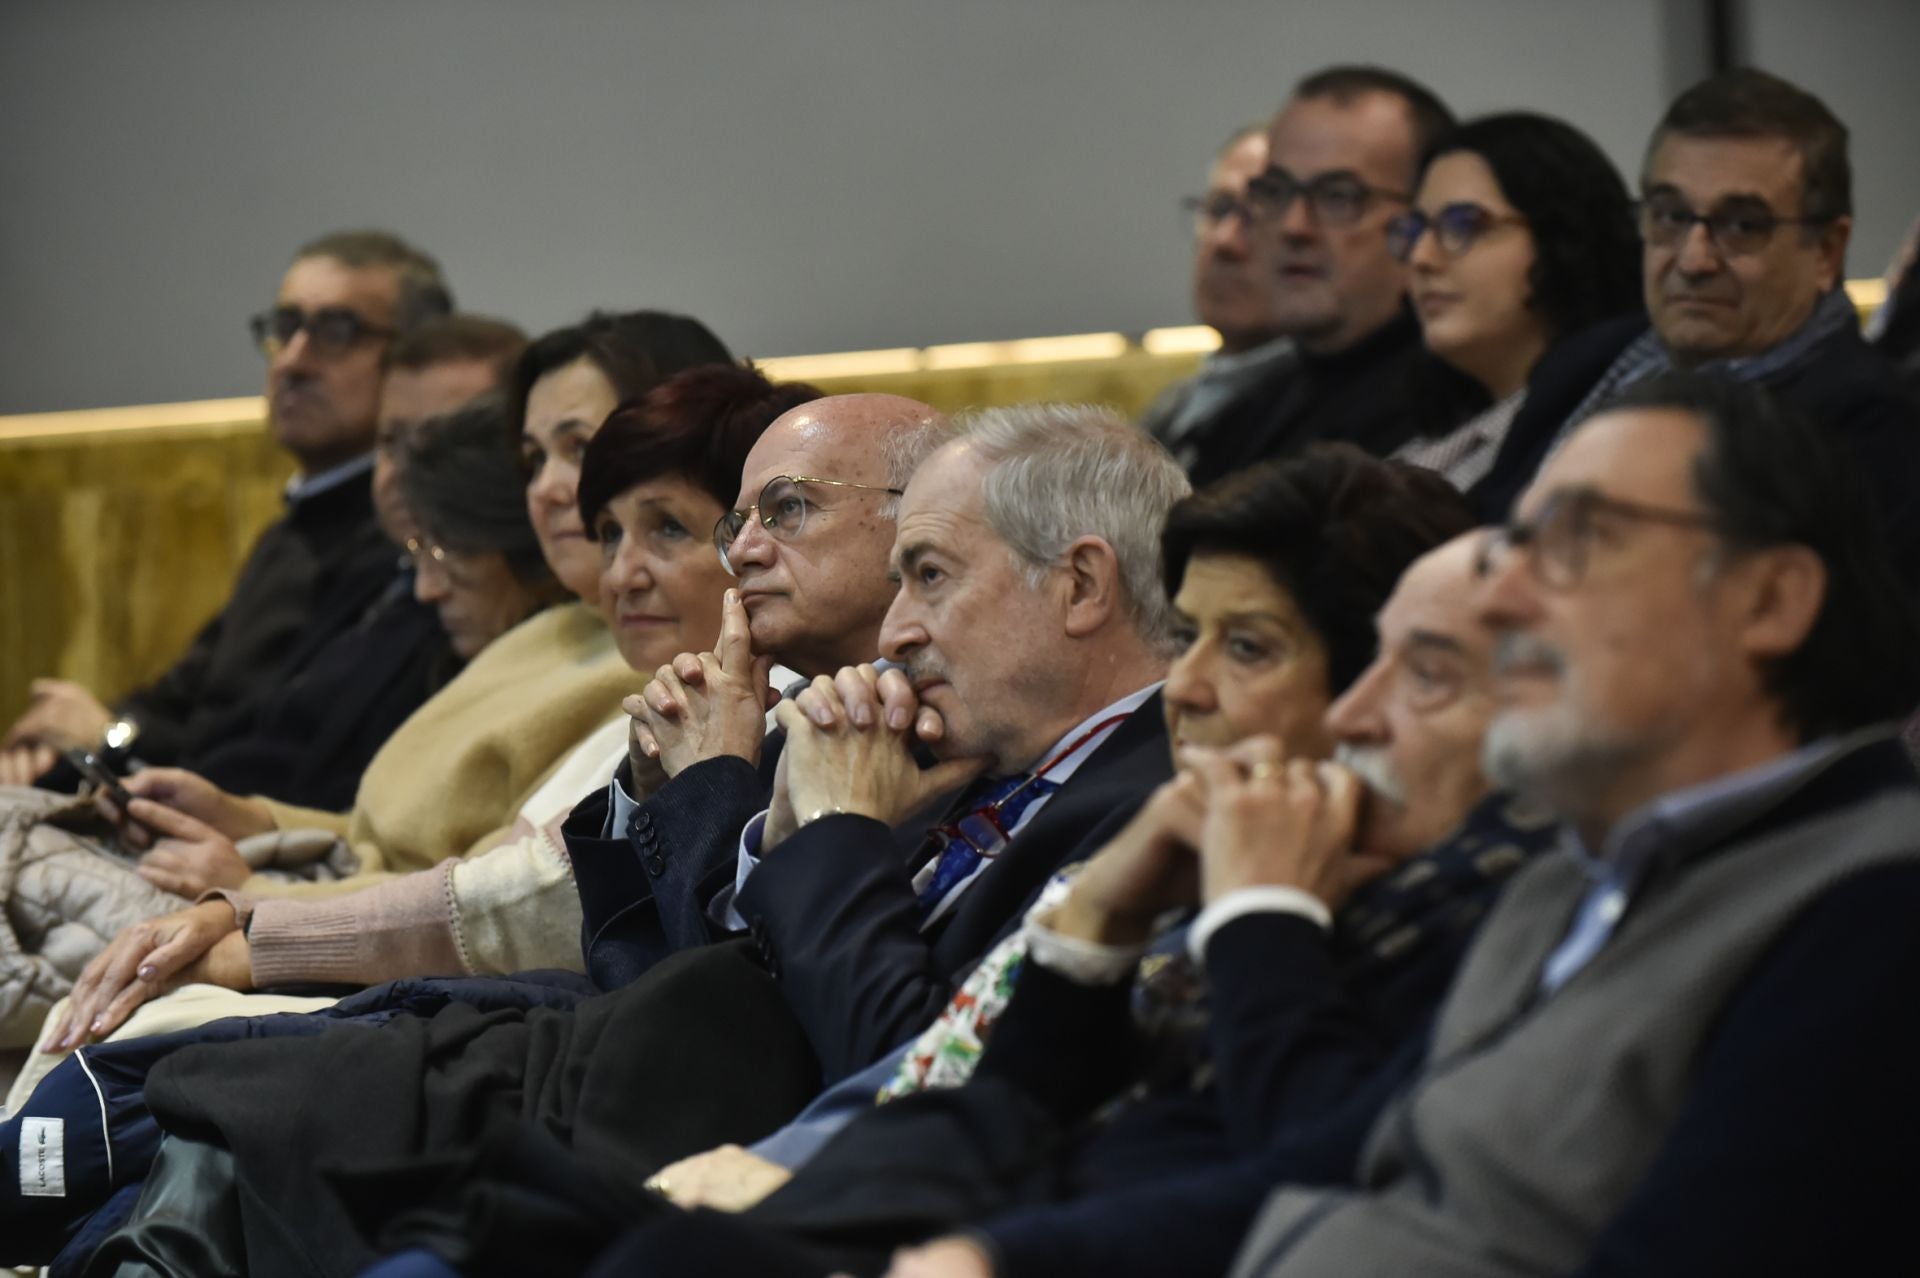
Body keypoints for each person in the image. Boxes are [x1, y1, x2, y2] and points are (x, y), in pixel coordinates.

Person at [42, 405, 1187, 1277]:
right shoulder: (916, 736)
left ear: (1081, 583)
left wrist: (776, 808)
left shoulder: (1135, 811)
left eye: (925, 575)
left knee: (242, 1105)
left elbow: (893, 1059)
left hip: (738, 1176)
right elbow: (660, 965)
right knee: (202, 1094)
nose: (899, 623)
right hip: (619, 1107)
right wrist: (723, 795)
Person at [23, 365, 823, 1085]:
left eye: (670, 529)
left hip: (523, 1032)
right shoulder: (622, 665)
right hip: (337, 923)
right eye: (607, 531)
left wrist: (255, 919)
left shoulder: (741, 701)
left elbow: (529, 901)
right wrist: (257, 861)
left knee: (118, 1000)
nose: (622, 568)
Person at [0, 231, 453, 786]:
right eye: (286, 327)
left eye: (337, 332)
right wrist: (65, 743)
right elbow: (186, 693)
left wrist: (107, 740)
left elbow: (272, 753)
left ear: (414, 359)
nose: (293, 360)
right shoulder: (296, 524)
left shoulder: (405, 543)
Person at [1472, 69, 1920, 577]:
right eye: (1670, 216)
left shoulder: (1864, 426)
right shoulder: (1585, 359)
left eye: (1742, 226)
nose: (1694, 259)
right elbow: (1480, 532)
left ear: (1827, 251)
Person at [569, 393, 950, 989]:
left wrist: (710, 782)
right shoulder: (781, 717)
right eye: (737, 524)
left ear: (919, 521)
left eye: (788, 507)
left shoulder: (941, 726)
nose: (742, 553)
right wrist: (653, 792)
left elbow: (736, 1004)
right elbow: (623, 969)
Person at [168, 315, 529, 812]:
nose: (404, 472)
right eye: (391, 441)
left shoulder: (490, 611)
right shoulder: (368, 572)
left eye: (440, 444)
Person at [1175, 66, 1459, 488]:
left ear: (1422, 219)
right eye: (1275, 190)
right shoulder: (1243, 414)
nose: (1294, 226)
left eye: (1339, 196)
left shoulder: (1444, 420)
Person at [1385, 112, 1642, 503]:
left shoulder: (1612, 431)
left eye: (1464, 225)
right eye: (1417, 230)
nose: (1421, 257)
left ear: (1562, 239)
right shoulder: (1434, 436)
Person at [1141, 125, 1292, 466]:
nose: (1224, 240)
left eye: (1258, 216)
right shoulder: (1176, 406)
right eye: (1219, 208)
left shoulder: (1328, 427)